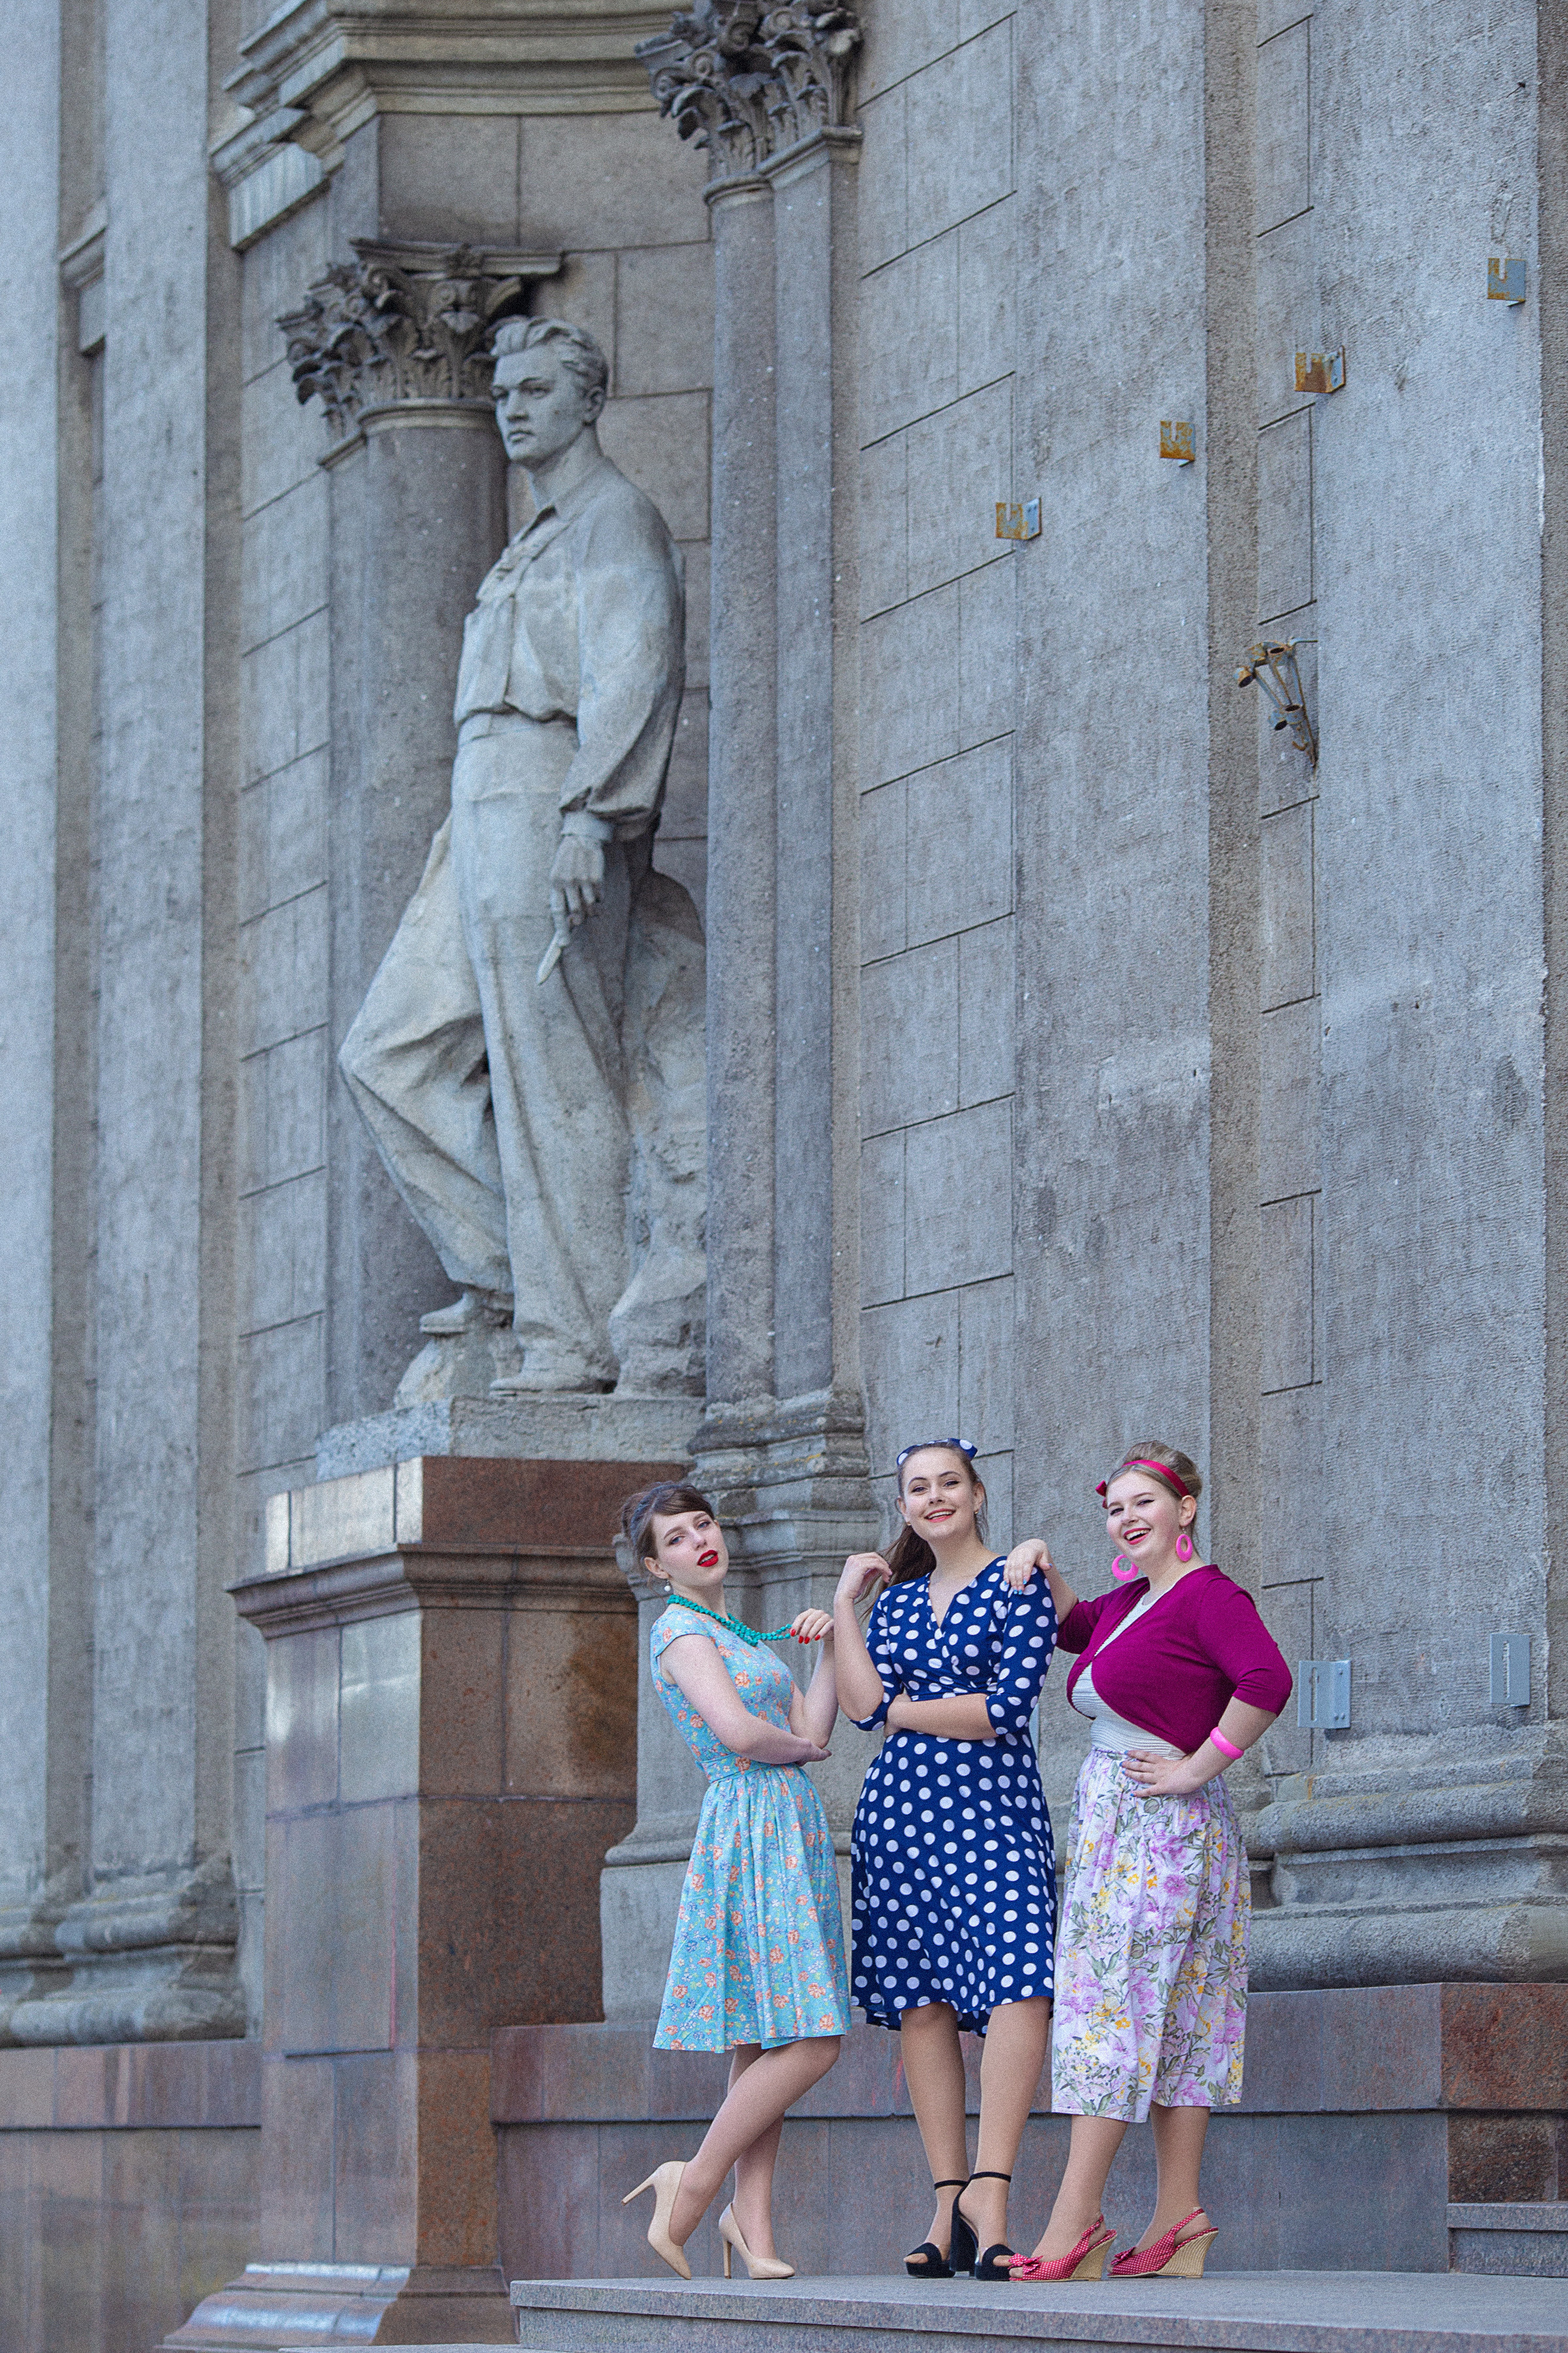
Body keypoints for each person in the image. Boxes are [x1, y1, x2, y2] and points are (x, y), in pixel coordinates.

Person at [340, 317, 700, 1395]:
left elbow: (633, 671)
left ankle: (570, 1338)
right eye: (503, 391)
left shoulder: (614, 520)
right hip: (480, 807)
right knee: (389, 1052)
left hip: (551, 805)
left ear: (589, 400)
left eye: (538, 389)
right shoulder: (534, 539)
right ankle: (508, 1269)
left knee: (556, 1075)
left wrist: (592, 818)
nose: (513, 407)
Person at [1001, 1444, 1292, 2282]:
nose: (1126, 1519)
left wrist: (1198, 1764)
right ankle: (1177, 2215)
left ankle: (1073, 2223)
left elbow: (1266, 1678)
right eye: (1114, 1508)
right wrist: (1042, 1562)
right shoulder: (1136, 1597)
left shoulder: (1207, 1594)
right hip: (1136, 1828)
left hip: (1157, 1828)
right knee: (1178, 2015)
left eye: (1143, 1503)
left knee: (1106, 2012)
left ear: (1185, 1509)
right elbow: (1076, 1629)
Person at [831, 1440, 1058, 2282]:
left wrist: (901, 1707)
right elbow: (859, 1709)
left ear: (977, 1491)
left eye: (947, 1483)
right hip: (897, 1817)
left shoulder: (1015, 1581)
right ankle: (946, 2199)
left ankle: (991, 2195)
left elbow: (1003, 1709)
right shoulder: (893, 1603)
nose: (933, 1498)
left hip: (991, 1809)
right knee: (922, 2004)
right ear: (903, 1504)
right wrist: (844, 1606)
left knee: (1019, 1981)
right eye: (916, 1488)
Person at [619, 1480, 849, 2280]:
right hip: (751, 1826)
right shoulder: (680, 1631)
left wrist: (831, 1640)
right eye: (676, 1538)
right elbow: (743, 1733)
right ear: (656, 1565)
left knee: (762, 2035)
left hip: (784, 1822)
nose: (699, 1541)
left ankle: (751, 2224)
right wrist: (800, 1748)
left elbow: (813, 1727)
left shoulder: (737, 1631)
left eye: (703, 1524)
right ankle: (697, 2176)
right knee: (812, 2037)